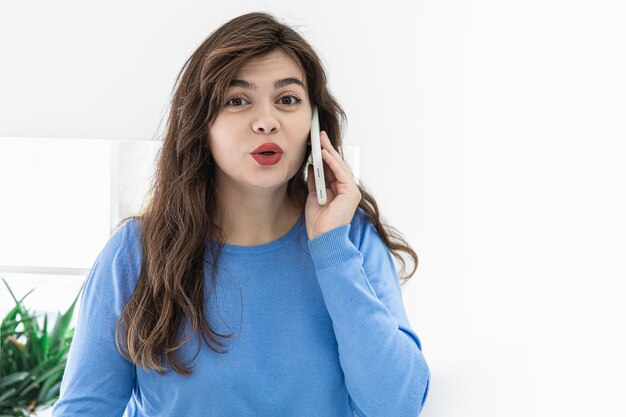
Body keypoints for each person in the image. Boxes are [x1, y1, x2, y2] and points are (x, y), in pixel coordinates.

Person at [52, 11, 430, 417]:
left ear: (314, 123)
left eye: (288, 100)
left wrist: (331, 247)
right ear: (202, 123)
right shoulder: (134, 254)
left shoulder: (350, 239)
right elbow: (83, 410)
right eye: (237, 100)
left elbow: (396, 405)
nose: (267, 122)